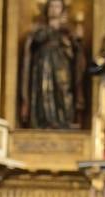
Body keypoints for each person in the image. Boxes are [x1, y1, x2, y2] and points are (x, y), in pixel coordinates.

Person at [19, 0, 85, 129]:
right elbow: (31, 46)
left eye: (57, 6)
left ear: (62, 10)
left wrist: (76, 40)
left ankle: (64, 120)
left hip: (62, 64)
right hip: (43, 64)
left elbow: (76, 51)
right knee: (44, 90)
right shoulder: (39, 30)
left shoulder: (67, 31)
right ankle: (44, 121)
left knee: (63, 90)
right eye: (51, 6)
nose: (54, 9)